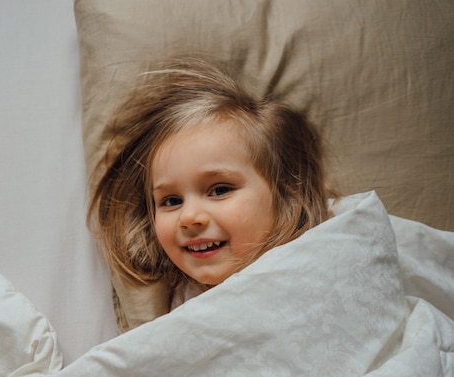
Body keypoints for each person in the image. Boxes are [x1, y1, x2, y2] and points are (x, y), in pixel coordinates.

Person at [88, 57, 336, 306]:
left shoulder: (329, 252)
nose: (189, 217)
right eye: (172, 201)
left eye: (219, 190)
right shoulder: (184, 305)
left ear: (285, 194)